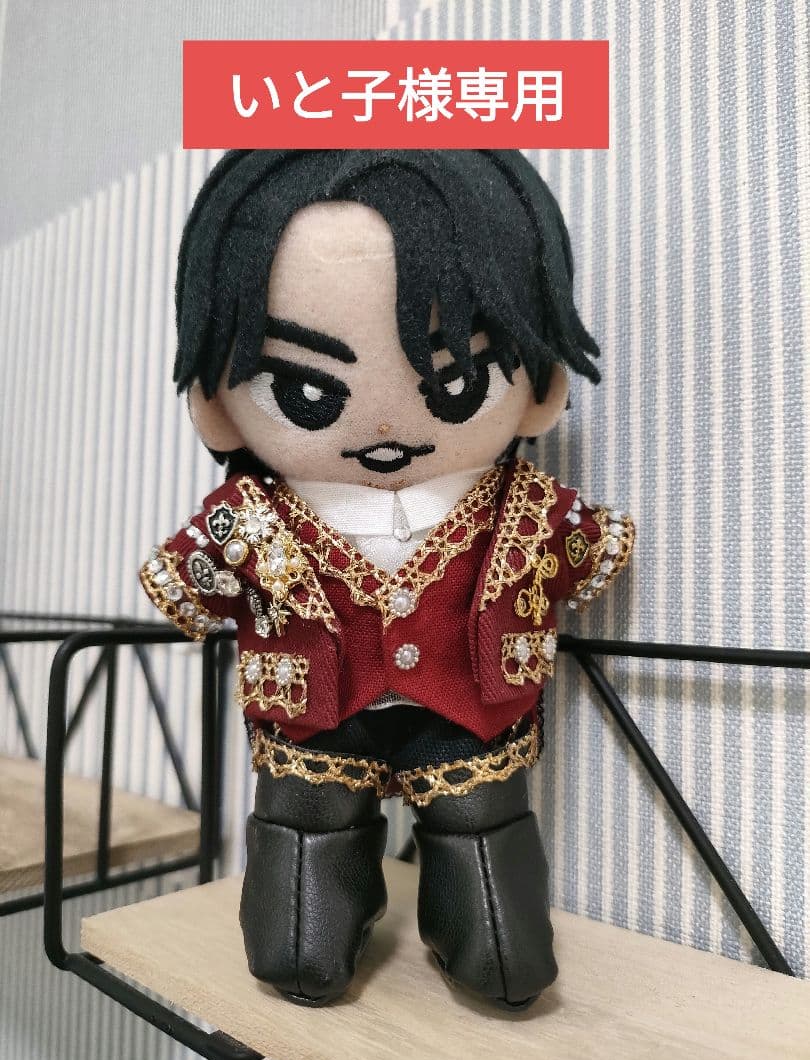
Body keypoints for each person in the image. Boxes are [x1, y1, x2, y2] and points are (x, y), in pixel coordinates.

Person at [140, 149, 635, 1010]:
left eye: (456, 379)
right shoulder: (249, 516)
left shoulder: (521, 506)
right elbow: (189, 583)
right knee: (304, 836)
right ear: (215, 407)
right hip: (315, 717)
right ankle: (312, 938)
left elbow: (584, 550)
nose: (381, 425)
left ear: (542, 387)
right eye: (302, 388)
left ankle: (484, 943)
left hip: (469, 710)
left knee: (483, 833)